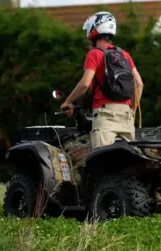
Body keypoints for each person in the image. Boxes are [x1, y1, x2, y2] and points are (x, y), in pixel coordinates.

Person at [60, 11, 144, 150]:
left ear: (94, 28)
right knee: (128, 164)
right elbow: (139, 84)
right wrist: (132, 110)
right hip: (126, 117)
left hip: (105, 116)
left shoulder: (95, 54)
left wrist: (68, 101)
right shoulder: (124, 54)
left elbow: (85, 84)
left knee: (101, 164)